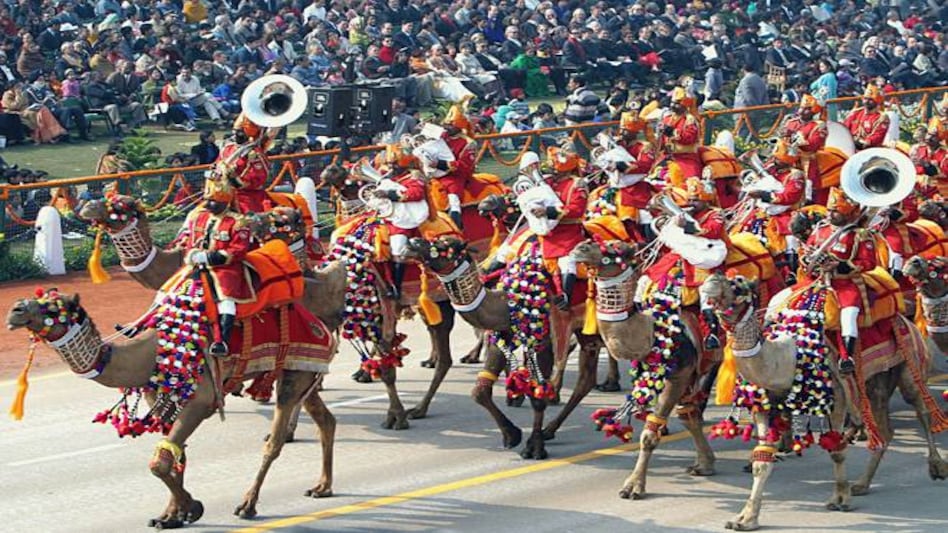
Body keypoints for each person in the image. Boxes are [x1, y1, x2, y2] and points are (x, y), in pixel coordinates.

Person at [641, 177, 728, 350]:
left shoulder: (716, 214)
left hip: (707, 259)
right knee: (650, 279)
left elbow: (712, 231)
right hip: (682, 257)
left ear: (706, 200)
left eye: (696, 200)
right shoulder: (682, 214)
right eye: (689, 200)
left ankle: (711, 333)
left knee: (706, 291)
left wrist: (687, 226)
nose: (691, 203)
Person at [800, 188, 877, 374]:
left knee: (848, 316)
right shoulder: (821, 230)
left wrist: (839, 266)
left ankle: (846, 357)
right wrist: (808, 261)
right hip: (817, 281)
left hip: (846, 284)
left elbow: (868, 263)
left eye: (836, 211)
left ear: (847, 213)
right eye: (830, 210)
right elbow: (805, 251)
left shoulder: (860, 234)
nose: (831, 214)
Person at [176, 179, 254, 357]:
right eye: (207, 199)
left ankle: (222, 341)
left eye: (214, 201)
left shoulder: (238, 222)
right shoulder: (199, 217)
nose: (208, 204)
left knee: (226, 298)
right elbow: (191, 241)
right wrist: (193, 254)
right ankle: (143, 324)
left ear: (225, 202)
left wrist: (211, 257)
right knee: (171, 287)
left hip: (225, 268)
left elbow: (238, 250)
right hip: (197, 264)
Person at [740, 143, 807, 282]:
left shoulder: (796, 175)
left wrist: (763, 194)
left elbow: (789, 197)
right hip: (765, 211)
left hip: (787, 212)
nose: (773, 160)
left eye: (778, 158)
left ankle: (792, 272)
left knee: (790, 240)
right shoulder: (772, 169)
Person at [533, 144, 588, 310]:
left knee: (567, 262)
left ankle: (565, 297)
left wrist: (547, 211)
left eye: (554, 165)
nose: (551, 168)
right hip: (546, 231)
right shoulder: (547, 182)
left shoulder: (578, 184)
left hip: (568, 233)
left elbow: (576, 210)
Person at [371, 146, 430, 301]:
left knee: (397, 247)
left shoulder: (414, 176)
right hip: (383, 216)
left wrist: (389, 194)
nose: (391, 167)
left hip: (403, 220)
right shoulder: (386, 176)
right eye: (390, 164)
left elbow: (415, 194)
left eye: (394, 164)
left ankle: (396, 287)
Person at [215, 115, 272, 214]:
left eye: (240, 132)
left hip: (247, 196)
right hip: (223, 193)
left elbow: (258, 179)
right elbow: (217, 164)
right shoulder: (227, 148)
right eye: (235, 131)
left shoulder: (254, 153)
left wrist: (234, 178)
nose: (236, 134)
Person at [780, 94, 828, 204]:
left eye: (807, 109)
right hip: (788, 157)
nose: (802, 111)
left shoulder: (819, 126)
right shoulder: (791, 122)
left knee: (809, 180)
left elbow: (812, 145)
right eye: (802, 108)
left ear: (813, 111)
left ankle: (808, 197)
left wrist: (794, 135)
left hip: (806, 159)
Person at [655, 87, 702, 186]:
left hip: (686, 159)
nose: (672, 105)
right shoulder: (667, 119)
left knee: (691, 184)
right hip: (667, 158)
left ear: (684, 105)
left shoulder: (690, 120)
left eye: (677, 103)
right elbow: (660, 143)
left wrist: (672, 132)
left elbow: (689, 138)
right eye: (672, 102)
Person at [843, 85, 890, 150]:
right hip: (849, 146)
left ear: (877, 101)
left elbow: (877, 137)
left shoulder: (882, 118)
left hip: (868, 150)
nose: (866, 101)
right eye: (865, 99)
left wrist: (863, 143)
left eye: (870, 99)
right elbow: (844, 128)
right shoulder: (855, 113)